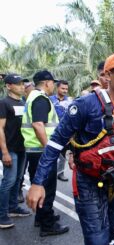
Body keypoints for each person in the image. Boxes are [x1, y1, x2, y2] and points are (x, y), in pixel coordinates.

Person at [26, 52, 114, 245]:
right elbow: (55, 144)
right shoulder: (85, 105)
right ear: (108, 75)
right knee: (97, 242)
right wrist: (38, 183)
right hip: (90, 182)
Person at [21, 70, 69, 236]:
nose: (53, 86)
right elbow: (38, 125)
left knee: (41, 186)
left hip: (35, 151)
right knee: (47, 189)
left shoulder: (32, 97)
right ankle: (47, 226)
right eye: (53, 83)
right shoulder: (41, 99)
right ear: (47, 82)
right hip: (41, 151)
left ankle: (42, 217)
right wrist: (49, 149)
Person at [0, 74, 31, 229]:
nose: (22, 86)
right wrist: (4, 152)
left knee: (18, 179)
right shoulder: (4, 103)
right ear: (8, 86)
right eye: (18, 84)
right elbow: (0, 128)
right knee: (8, 181)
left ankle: (13, 208)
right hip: (9, 149)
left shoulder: (24, 102)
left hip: (22, 148)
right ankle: (1, 215)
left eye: (22, 83)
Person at [49, 80, 71, 182]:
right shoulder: (50, 100)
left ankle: (60, 172)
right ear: (57, 88)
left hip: (65, 132)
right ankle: (49, 171)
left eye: (66, 89)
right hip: (52, 132)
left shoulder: (70, 101)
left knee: (63, 152)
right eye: (63, 88)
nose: (65, 90)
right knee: (51, 152)